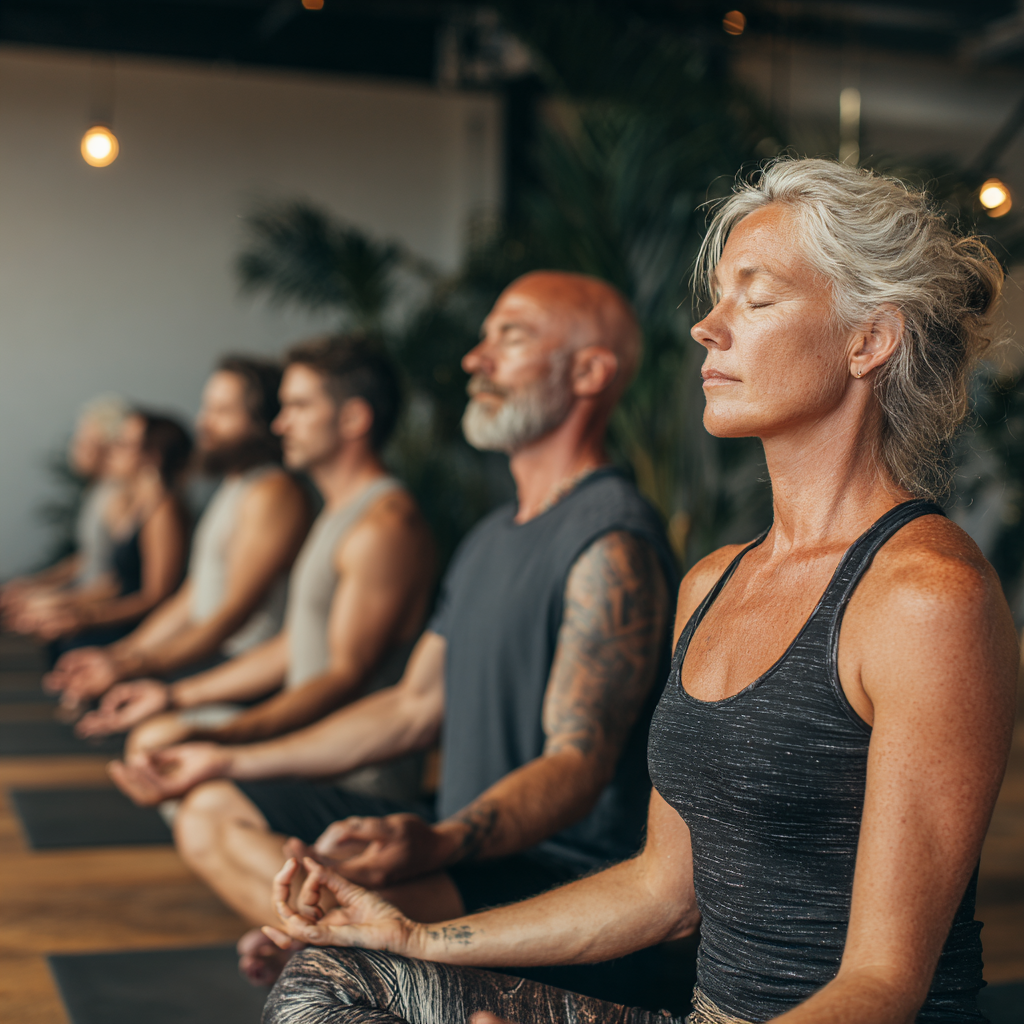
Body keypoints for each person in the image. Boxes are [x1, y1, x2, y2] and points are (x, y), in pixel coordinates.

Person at [257, 159, 1019, 1024]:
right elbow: (662, 890)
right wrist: (418, 937)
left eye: (755, 298)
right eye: (717, 297)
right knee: (331, 978)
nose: (706, 328)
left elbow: (882, 986)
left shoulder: (926, 599)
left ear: (868, 341)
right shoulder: (712, 583)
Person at [111, 271, 678, 1000]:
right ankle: (334, 948)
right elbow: (411, 707)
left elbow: (577, 760)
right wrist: (227, 756)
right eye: (482, 339)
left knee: (324, 953)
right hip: (455, 840)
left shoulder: (611, 541)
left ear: (589, 372)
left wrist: (440, 842)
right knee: (213, 807)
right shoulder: (489, 536)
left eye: (509, 337)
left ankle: (344, 957)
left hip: (553, 875)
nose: (475, 358)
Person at [77, 336, 435, 810]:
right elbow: (293, 645)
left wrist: (225, 736)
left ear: (353, 419)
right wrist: (172, 695)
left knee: (177, 767)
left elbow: (344, 675)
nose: (281, 423)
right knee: (158, 737)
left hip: (355, 778)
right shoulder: (337, 512)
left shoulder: (386, 526)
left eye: (299, 407)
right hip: (306, 748)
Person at [44, 356, 309, 708]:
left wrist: (131, 665)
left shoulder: (273, 492)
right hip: (213, 655)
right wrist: (121, 655)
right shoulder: (236, 487)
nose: (203, 422)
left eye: (222, 411)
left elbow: (233, 614)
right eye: (207, 408)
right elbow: (191, 598)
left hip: (240, 668)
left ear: (262, 422)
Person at [15, 410, 192, 651]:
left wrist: (83, 618)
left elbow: (156, 596)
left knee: (70, 645)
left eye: (124, 444)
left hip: (140, 628)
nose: (113, 450)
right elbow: (116, 581)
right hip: (119, 615)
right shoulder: (141, 505)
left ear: (152, 456)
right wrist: (64, 606)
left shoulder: (165, 511)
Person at [1, 395, 129, 624]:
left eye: (84, 440)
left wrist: (55, 602)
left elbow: (119, 579)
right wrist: (34, 585)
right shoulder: (98, 491)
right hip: (83, 603)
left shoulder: (119, 498)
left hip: (97, 616)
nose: (75, 448)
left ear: (109, 446)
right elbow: (89, 559)